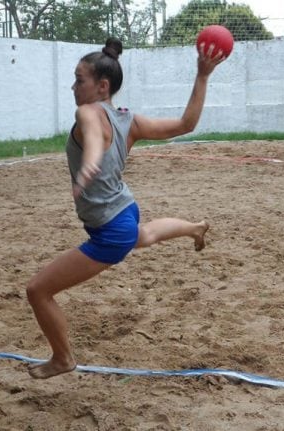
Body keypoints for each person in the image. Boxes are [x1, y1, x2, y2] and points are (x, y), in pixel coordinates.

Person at [25, 38, 227, 379]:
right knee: (142, 235)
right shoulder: (128, 120)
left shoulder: (87, 111)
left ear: (102, 86)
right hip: (126, 210)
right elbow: (185, 125)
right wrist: (202, 76)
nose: (73, 86)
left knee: (38, 291)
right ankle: (194, 227)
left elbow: (91, 136)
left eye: (79, 79)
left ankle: (62, 358)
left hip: (109, 229)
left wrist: (89, 164)